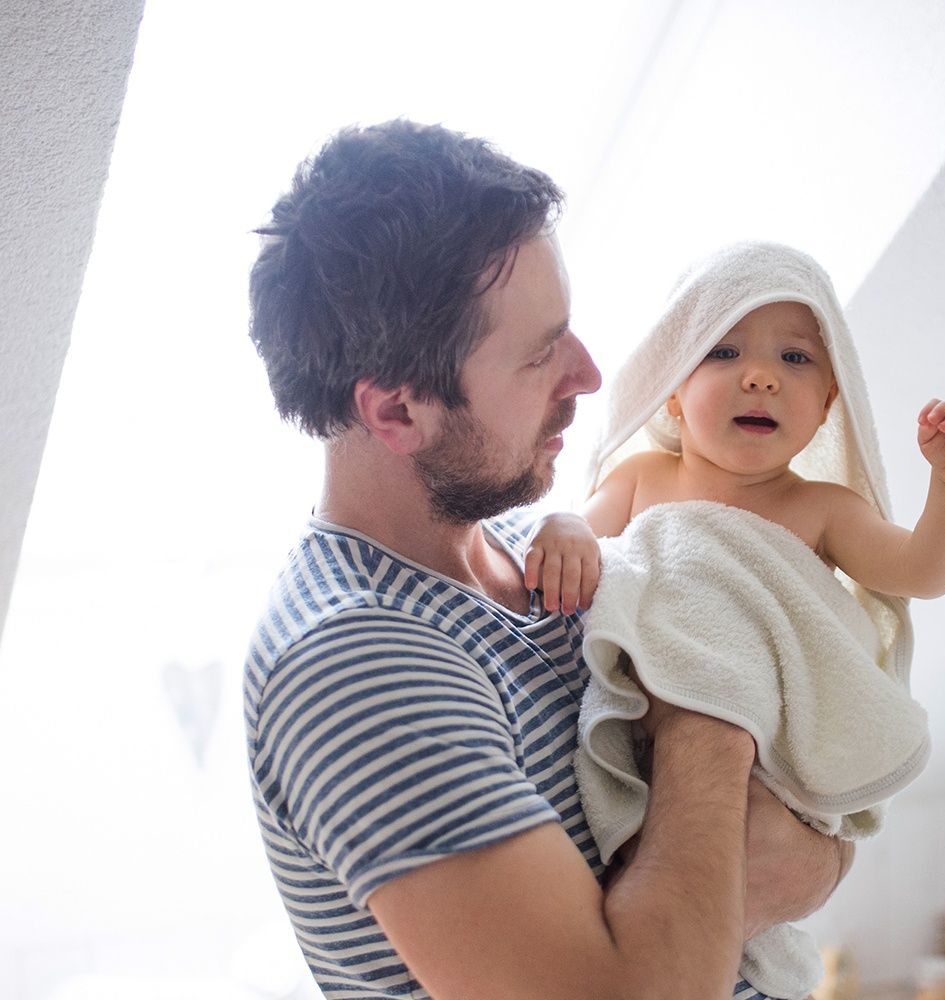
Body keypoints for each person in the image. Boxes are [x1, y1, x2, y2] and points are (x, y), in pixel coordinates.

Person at [243, 121, 847, 1000]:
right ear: (397, 413)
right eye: (539, 356)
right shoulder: (355, 658)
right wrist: (708, 701)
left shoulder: (541, 546)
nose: (590, 375)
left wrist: (808, 859)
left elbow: (814, 855)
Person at [524, 241, 945, 995]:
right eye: (724, 349)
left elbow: (923, 572)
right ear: (670, 393)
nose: (762, 374)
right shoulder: (643, 478)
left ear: (830, 403)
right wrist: (565, 530)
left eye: (797, 360)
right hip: (648, 743)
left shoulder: (820, 509)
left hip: (763, 770)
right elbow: (581, 541)